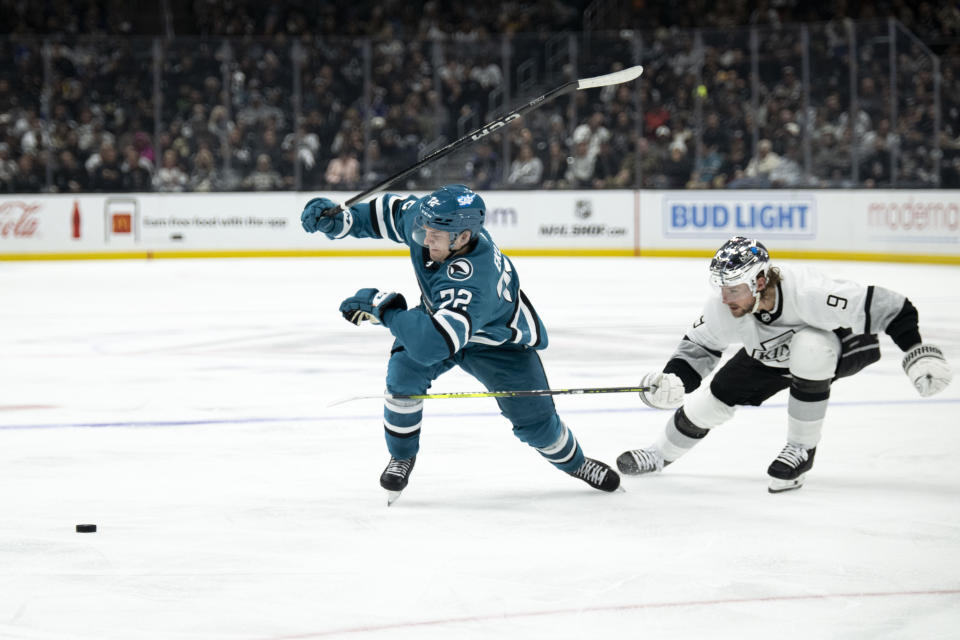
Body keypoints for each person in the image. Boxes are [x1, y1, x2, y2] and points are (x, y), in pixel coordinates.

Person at [301, 184, 621, 504]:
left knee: (537, 426)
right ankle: (402, 456)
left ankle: (578, 464)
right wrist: (341, 221)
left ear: (463, 238)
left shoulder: (472, 281)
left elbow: (433, 345)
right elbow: (385, 213)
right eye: (424, 229)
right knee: (403, 380)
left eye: (435, 236)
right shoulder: (431, 221)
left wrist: (385, 310)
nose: (425, 240)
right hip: (442, 321)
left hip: (497, 345)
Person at [617, 236, 953, 493]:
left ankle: (801, 449)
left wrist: (917, 352)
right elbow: (698, 348)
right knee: (712, 402)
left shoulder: (810, 292)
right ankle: (659, 454)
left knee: (810, 348)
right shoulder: (727, 306)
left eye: (732, 288)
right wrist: (673, 381)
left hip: (842, 344)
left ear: (760, 282)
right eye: (721, 288)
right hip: (769, 353)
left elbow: (894, 308)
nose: (724, 298)